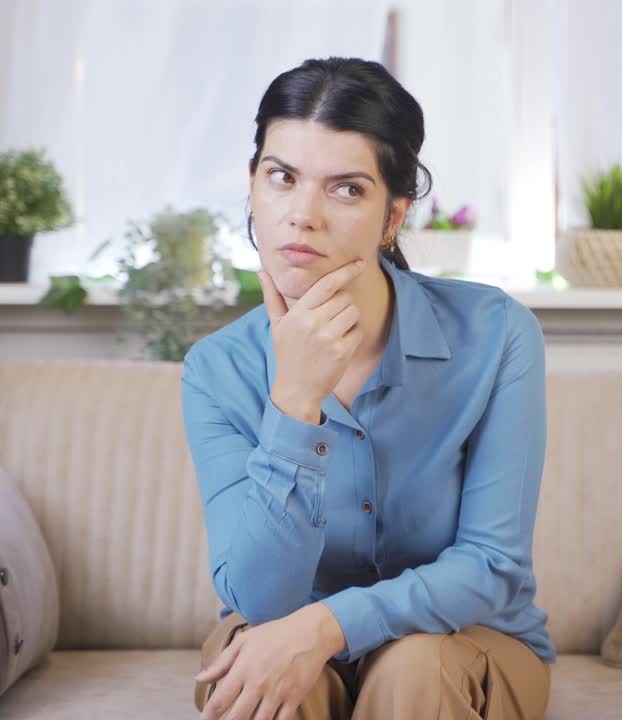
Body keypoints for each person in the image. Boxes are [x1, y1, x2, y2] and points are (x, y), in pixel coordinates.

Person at [181, 56, 553, 720]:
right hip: (278, 635)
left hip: (459, 646)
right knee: (258, 682)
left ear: (394, 215)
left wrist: (327, 626)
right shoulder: (218, 369)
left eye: (346, 188)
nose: (303, 215)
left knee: (413, 667)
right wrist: (295, 403)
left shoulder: (496, 336)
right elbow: (261, 602)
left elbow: (492, 566)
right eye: (282, 177)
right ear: (252, 186)